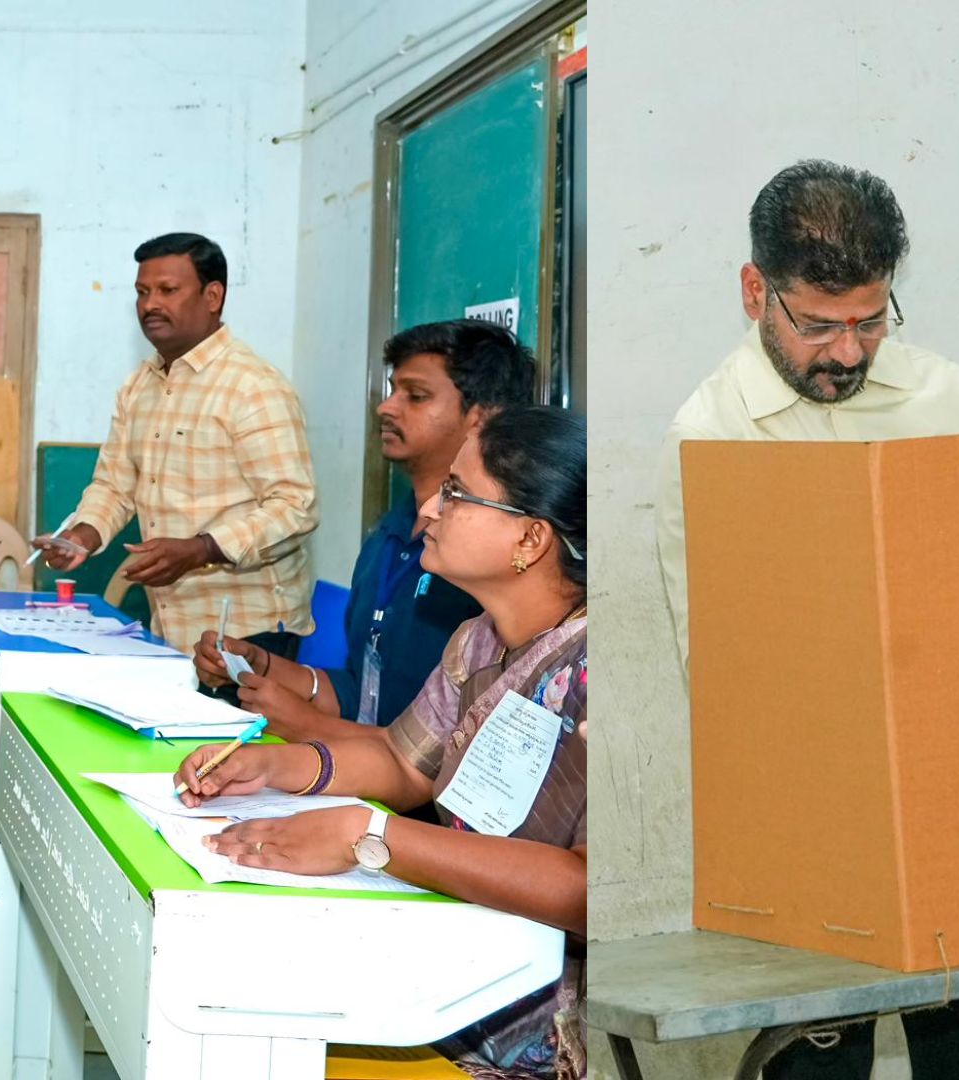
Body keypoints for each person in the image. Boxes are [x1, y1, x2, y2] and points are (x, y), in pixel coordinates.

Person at [654, 159, 959, 1080]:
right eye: (817, 325)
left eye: (871, 321)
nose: (848, 354)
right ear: (754, 292)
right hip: (806, 813)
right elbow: (725, 667)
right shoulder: (714, 435)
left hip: (957, 797)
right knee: (820, 1065)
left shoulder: (949, 400)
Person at [176, 405, 587, 1079]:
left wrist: (371, 836)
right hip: (450, 977)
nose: (428, 508)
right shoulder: (477, 640)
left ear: (530, 537)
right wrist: (274, 766)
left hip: (546, 1034)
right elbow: (403, 760)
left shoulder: (609, 670)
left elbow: (589, 892)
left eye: (457, 492)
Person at [193, 319, 536, 742]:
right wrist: (263, 666)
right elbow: (365, 693)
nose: (386, 408)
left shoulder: (491, 559)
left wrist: (313, 728)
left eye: (416, 396)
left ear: (481, 419)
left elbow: (454, 750)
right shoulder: (389, 534)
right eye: (392, 390)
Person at [34, 232, 318, 663]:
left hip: (249, 633)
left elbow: (295, 507)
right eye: (142, 292)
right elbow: (114, 485)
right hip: (172, 628)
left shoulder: (253, 387)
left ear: (213, 296)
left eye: (167, 290)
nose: (150, 305)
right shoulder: (138, 387)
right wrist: (82, 535)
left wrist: (201, 550)